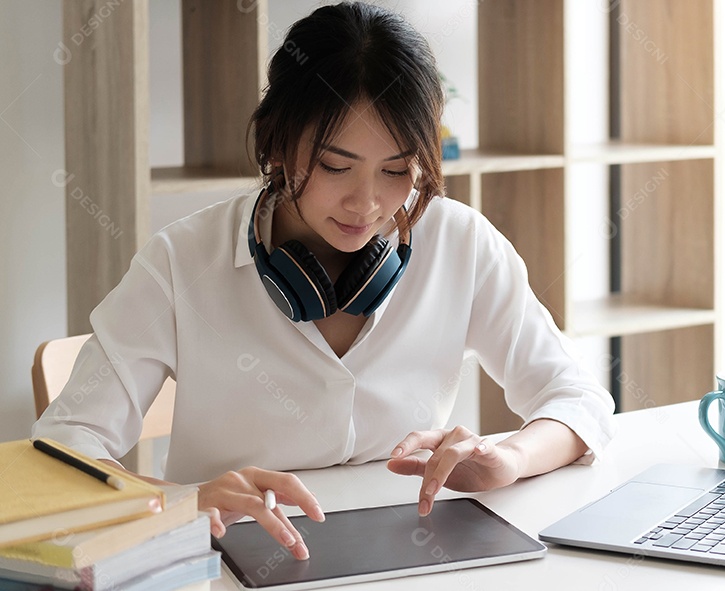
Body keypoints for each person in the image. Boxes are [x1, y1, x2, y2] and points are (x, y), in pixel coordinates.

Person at [33, 2, 614, 562]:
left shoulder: (461, 243)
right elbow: (62, 446)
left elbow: (580, 400)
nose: (367, 203)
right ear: (279, 143)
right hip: (226, 560)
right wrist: (181, 502)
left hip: (411, 556)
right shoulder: (181, 261)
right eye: (336, 167)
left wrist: (507, 457)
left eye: (397, 171)